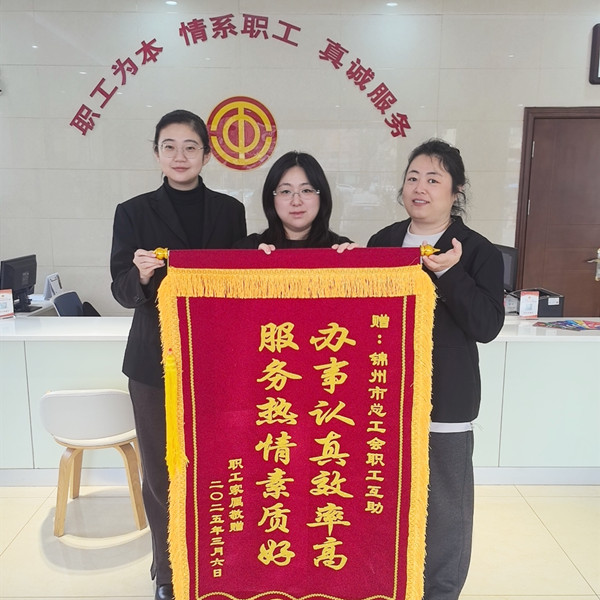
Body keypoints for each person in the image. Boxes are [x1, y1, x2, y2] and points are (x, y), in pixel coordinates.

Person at [110, 109, 246, 600]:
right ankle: (169, 570)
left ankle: (216, 562)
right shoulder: (133, 211)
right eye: (169, 146)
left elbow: (239, 283)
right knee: (161, 472)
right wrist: (141, 274)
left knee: (216, 464)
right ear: (156, 154)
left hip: (215, 360)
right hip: (153, 361)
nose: (180, 156)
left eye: (190, 147)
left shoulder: (230, 211)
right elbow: (121, 289)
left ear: (207, 155)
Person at [367, 139, 505, 600]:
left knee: (445, 506)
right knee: (384, 497)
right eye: (412, 178)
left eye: (433, 179)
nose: (419, 188)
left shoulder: (477, 250)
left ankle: (440, 592)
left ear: (455, 190)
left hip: (445, 398)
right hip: (384, 396)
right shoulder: (383, 242)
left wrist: (448, 274)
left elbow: (487, 325)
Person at [234, 150, 354, 252]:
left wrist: (357, 259)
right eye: (286, 191)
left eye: (306, 190)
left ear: (321, 196)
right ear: (271, 198)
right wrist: (250, 261)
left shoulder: (341, 249)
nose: (296, 202)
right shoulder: (249, 249)